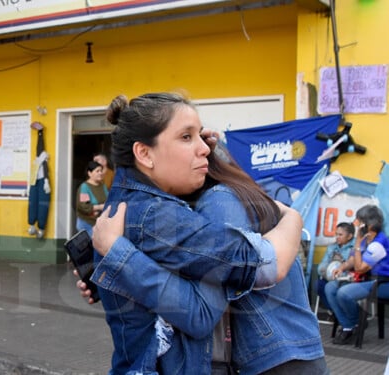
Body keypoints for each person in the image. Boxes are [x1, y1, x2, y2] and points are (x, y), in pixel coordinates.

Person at [81, 93, 308, 374]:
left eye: (200, 136)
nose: (203, 149)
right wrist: (293, 218)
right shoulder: (156, 215)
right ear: (145, 153)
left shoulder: (127, 204)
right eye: (186, 137)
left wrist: (111, 270)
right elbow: (260, 263)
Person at [326, 204, 389, 345]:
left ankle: (354, 324)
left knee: (344, 293)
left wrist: (357, 243)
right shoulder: (365, 238)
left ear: (369, 224)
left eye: (359, 221)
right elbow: (353, 260)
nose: (356, 224)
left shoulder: (378, 243)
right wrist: (342, 267)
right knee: (330, 288)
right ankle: (350, 325)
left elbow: (360, 268)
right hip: (365, 279)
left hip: (381, 282)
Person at [316, 222, 355, 312]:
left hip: (347, 278)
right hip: (331, 277)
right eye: (336, 234)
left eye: (340, 235)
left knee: (334, 287)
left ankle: (341, 312)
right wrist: (329, 271)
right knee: (318, 285)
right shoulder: (332, 247)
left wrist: (340, 272)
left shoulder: (354, 247)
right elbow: (321, 266)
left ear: (349, 236)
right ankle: (335, 311)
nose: (337, 237)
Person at [75, 160, 108, 237]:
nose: (100, 173)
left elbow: (108, 200)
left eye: (101, 170)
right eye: (97, 171)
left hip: (99, 223)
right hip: (87, 223)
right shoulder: (85, 187)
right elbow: (84, 206)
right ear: (89, 173)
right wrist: (100, 207)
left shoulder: (102, 186)